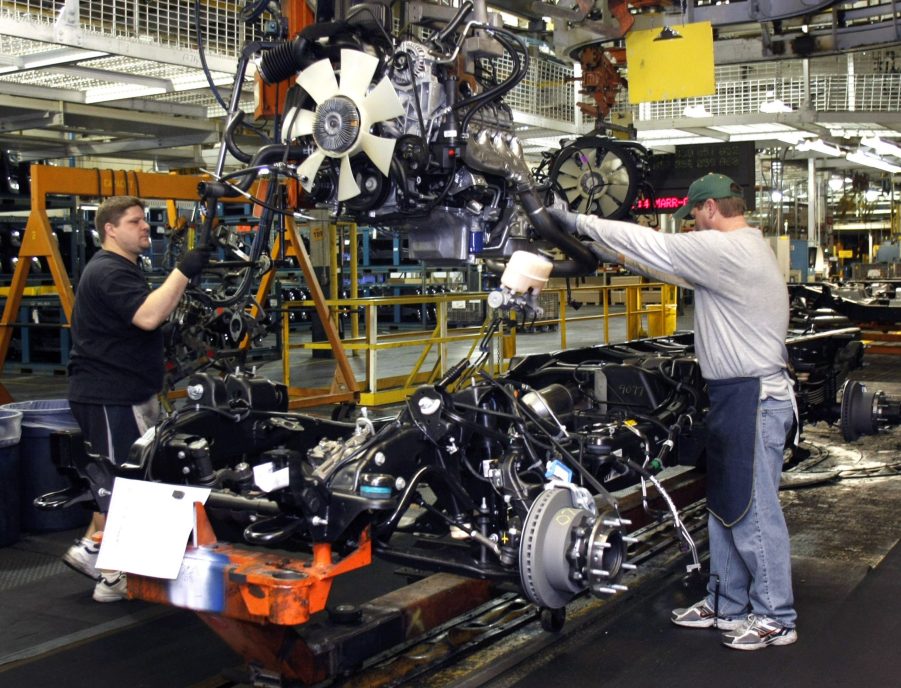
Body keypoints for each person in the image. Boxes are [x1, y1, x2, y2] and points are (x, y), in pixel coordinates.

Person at [548, 173, 798, 651]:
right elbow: (671, 269)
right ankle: (726, 602)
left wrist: (580, 220)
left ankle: (776, 616)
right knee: (727, 506)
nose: (691, 228)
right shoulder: (738, 252)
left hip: (755, 399)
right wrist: (610, 255)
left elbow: (657, 245)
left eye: (694, 218)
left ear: (708, 210)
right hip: (735, 396)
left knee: (755, 513)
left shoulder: (729, 250)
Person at [63, 196, 208, 602]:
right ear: (110, 229)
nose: (145, 227)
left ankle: (94, 549)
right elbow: (147, 317)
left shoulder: (121, 268)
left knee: (119, 477)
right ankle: (110, 576)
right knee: (127, 484)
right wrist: (183, 271)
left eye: (145, 220)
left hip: (127, 391)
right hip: (110, 395)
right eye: (135, 221)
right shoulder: (109, 271)